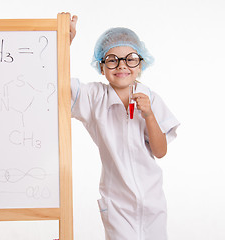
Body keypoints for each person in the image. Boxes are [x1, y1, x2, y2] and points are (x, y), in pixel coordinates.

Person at [69, 15, 180, 240]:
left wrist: (149, 115)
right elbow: (56, 83)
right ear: (101, 66)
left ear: (141, 64)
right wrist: (64, 43)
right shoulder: (93, 98)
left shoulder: (152, 99)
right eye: (112, 59)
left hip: (152, 200)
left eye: (130, 59)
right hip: (117, 205)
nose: (121, 66)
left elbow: (160, 151)